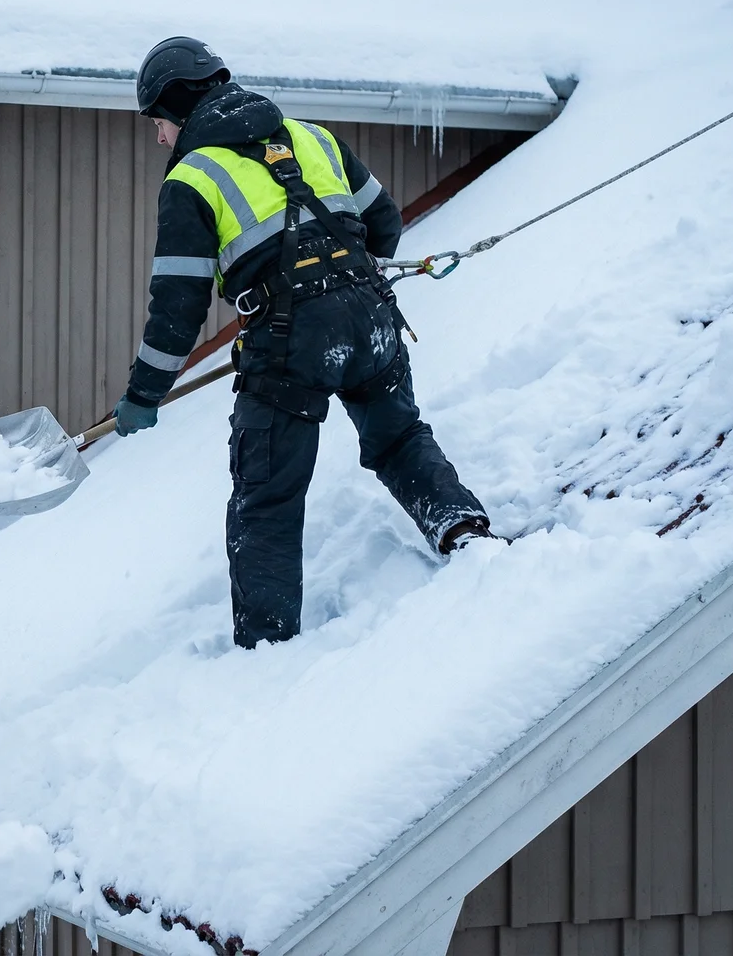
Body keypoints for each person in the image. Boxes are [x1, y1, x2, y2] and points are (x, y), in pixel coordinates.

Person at [113, 36, 498, 649]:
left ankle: (267, 651)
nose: (160, 137)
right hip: (372, 319)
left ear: (176, 107)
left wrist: (144, 394)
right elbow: (386, 223)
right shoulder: (312, 136)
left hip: (291, 347)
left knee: (266, 499)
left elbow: (178, 307)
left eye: (157, 123)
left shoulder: (192, 177)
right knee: (398, 438)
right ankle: (465, 533)